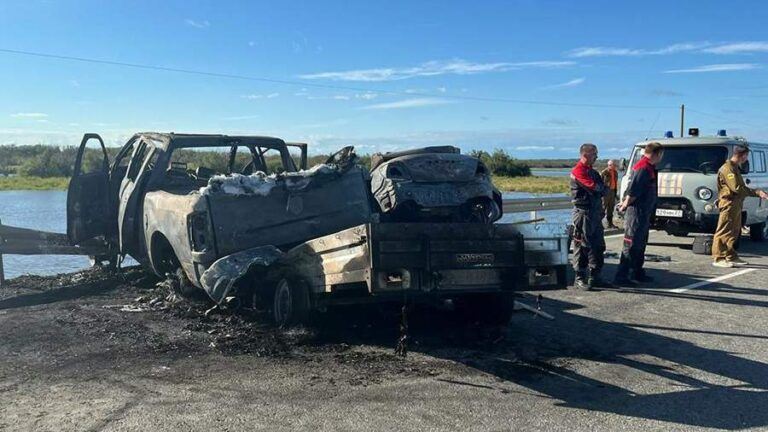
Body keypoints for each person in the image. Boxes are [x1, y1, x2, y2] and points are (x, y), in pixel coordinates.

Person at [614, 142, 663, 286]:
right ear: (657, 154)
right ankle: (621, 277)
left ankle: (637, 272)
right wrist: (625, 204)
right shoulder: (644, 167)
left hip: (644, 212)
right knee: (631, 243)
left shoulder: (649, 167)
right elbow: (633, 190)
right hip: (636, 212)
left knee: (640, 243)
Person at [712, 145, 768, 267]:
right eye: (746, 156)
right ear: (743, 155)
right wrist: (757, 192)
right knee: (724, 230)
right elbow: (737, 188)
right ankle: (719, 257)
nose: (746, 159)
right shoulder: (728, 169)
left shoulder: (734, 167)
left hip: (736, 203)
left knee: (734, 231)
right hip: (729, 203)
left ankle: (731, 255)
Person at [570, 143, 612, 290]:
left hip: (595, 212)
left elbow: (604, 189)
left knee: (598, 245)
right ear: (586, 155)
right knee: (582, 245)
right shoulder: (578, 171)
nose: (597, 157)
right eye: (595, 154)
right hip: (583, 213)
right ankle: (579, 277)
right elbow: (594, 187)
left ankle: (595, 275)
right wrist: (600, 189)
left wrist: (601, 189)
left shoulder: (593, 172)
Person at [601, 159, 619, 229]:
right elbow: (600, 182)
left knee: (611, 209)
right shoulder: (604, 172)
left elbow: (615, 183)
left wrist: (615, 193)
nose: (612, 166)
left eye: (613, 165)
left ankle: (610, 224)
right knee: (602, 208)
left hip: (612, 191)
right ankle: (599, 224)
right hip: (605, 192)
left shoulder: (615, 172)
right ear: (608, 165)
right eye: (610, 165)